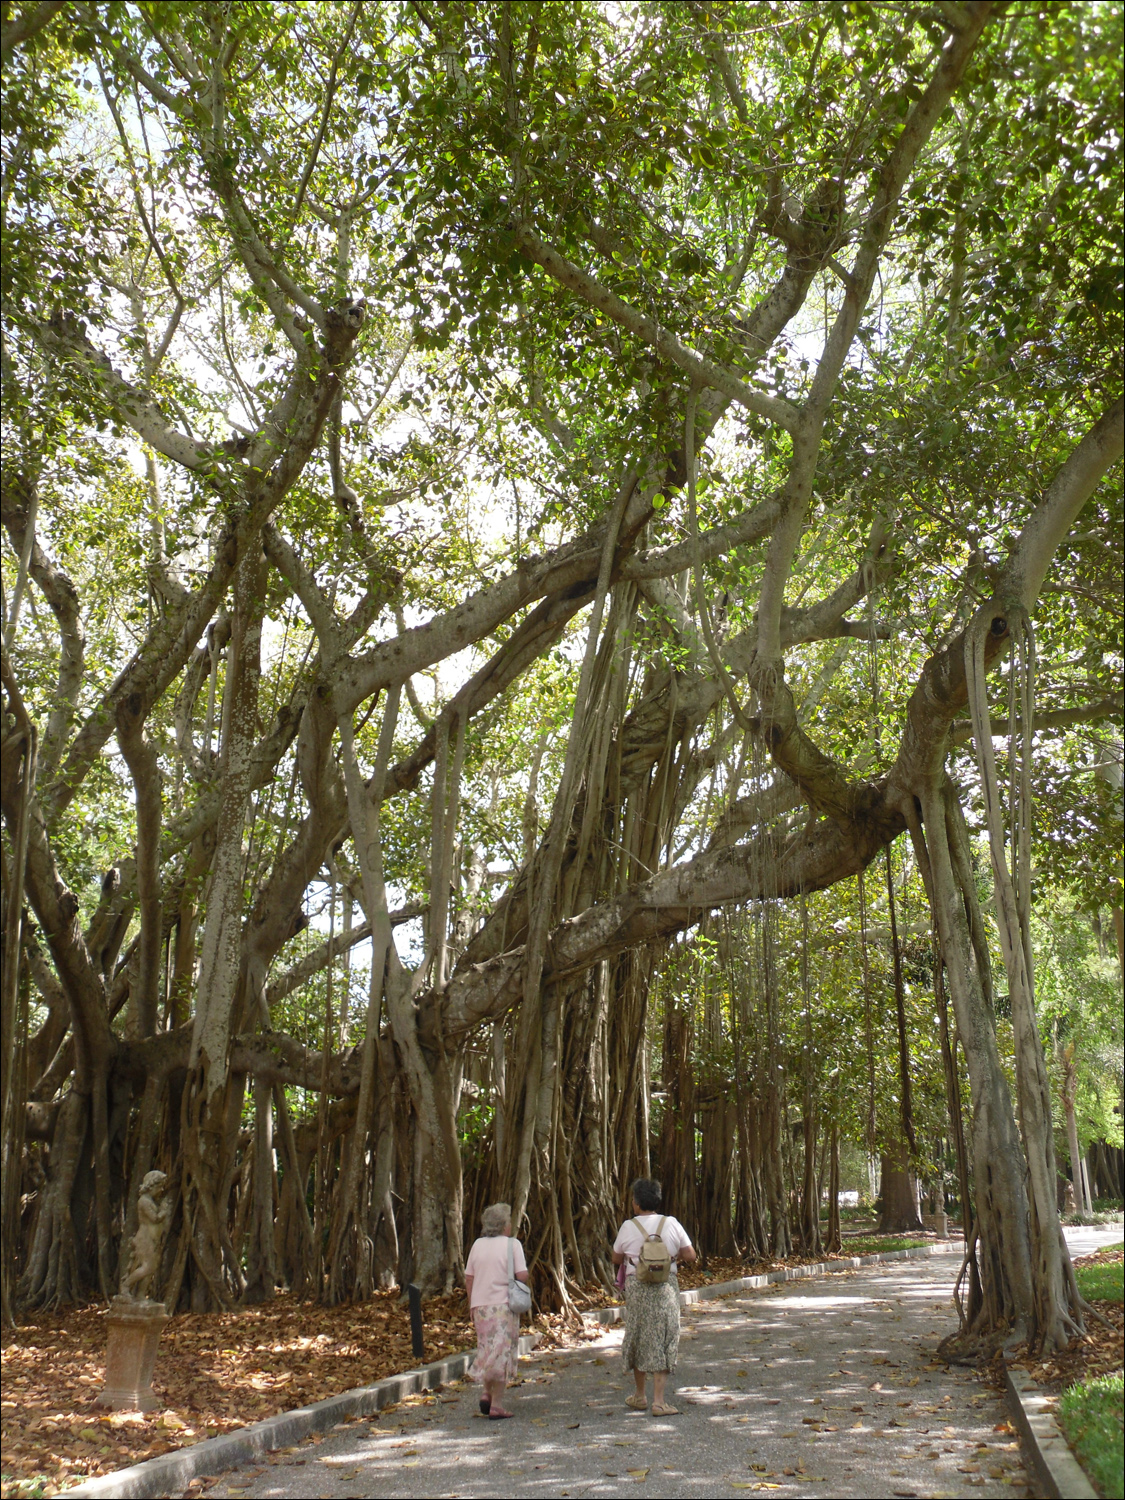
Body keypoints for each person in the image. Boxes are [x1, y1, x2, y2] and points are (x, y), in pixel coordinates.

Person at [612, 1177, 696, 1416]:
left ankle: (640, 1396)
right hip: (665, 1287)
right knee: (665, 1336)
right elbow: (691, 1255)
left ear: (636, 1203)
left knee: (639, 1334)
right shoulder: (671, 1223)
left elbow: (616, 1258)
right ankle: (659, 1401)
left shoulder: (628, 1226)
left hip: (637, 1287)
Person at [464, 1201, 530, 1420]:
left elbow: (469, 1277)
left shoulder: (477, 1245)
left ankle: (486, 1393)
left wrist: (472, 1304)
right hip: (503, 1307)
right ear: (504, 1226)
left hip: (480, 1307)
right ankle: (497, 1405)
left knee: (487, 1349)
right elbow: (522, 1275)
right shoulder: (513, 1245)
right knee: (502, 1354)